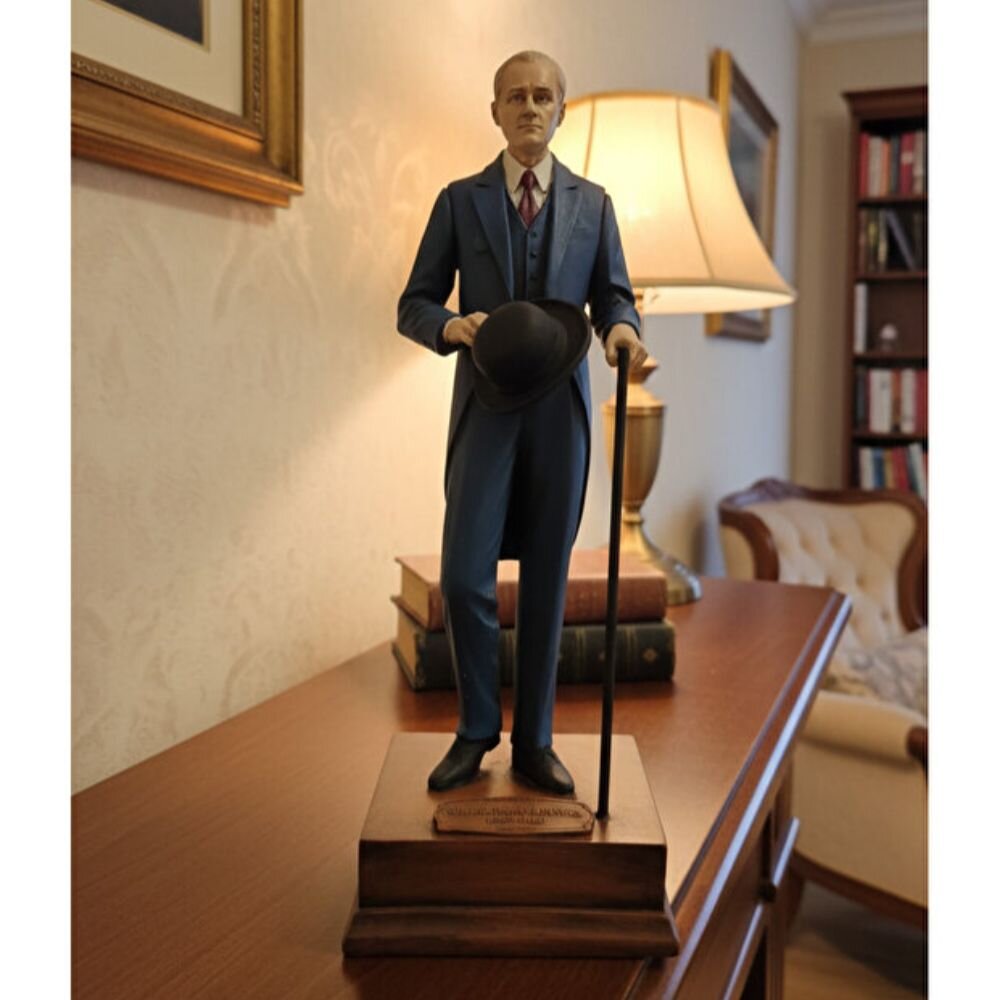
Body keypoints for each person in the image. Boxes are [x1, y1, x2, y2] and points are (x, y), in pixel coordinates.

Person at [398, 50, 646, 795]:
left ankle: (535, 742)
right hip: (486, 406)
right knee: (464, 574)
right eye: (516, 96)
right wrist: (451, 327)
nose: (530, 108)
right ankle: (476, 729)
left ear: (561, 110)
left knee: (546, 581)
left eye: (543, 96)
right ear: (496, 111)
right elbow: (414, 303)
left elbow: (615, 296)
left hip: (560, 412)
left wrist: (622, 332)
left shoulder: (594, 204)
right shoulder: (459, 200)